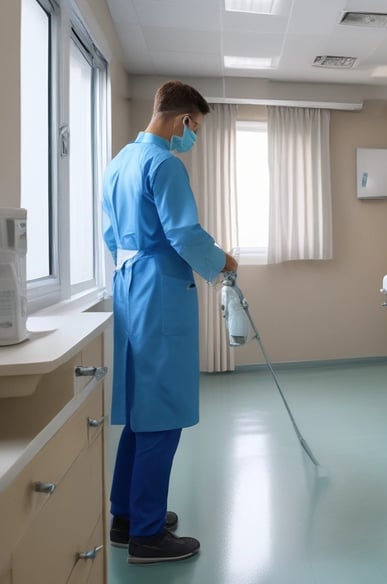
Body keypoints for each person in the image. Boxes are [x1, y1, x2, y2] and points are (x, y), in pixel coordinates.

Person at [102, 80, 238, 564]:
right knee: (162, 415)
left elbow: (109, 234)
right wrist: (224, 260)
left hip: (128, 284)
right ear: (184, 120)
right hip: (159, 289)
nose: (192, 137)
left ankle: (125, 516)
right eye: (195, 128)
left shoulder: (119, 162)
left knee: (141, 411)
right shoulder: (164, 163)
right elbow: (183, 231)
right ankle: (147, 534)